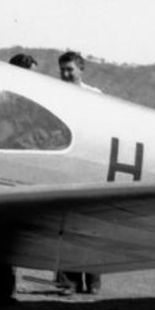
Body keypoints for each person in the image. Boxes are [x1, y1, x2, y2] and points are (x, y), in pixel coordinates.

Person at [55, 50, 103, 295]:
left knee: (91, 225)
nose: (65, 74)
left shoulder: (95, 97)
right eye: (62, 69)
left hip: (89, 166)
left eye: (70, 70)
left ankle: (93, 281)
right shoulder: (54, 95)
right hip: (66, 167)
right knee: (65, 224)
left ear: (81, 70)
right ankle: (70, 281)